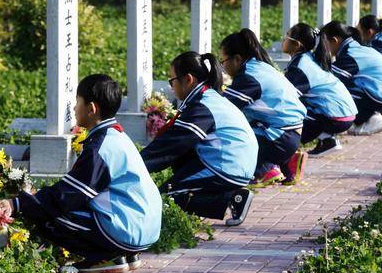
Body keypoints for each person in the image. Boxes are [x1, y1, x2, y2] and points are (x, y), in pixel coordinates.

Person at [5, 74, 162, 273]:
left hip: (126, 230)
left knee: (48, 216)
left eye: (77, 102)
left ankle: (105, 257)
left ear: (91, 108)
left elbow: (67, 196)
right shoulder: (118, 136)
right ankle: (123, 254)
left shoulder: (100, 147)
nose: (74, 108)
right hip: (145, 228)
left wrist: (18, 203)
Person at [141, 52, 257, 227]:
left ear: (188, 79)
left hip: (227, 166)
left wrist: (135, 165)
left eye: (172, 81)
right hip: (234, 161)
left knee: (165, 200)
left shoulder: (202, 106)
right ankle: (230, 196)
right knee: (178, 168)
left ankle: (231, 198)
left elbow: (171, 145)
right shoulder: (207, 97)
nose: (171, 87)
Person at [220, 29, 308, 186]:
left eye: (223, 62)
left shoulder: (249, 77)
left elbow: (222, 108)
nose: (223, 67)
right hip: (291, 133)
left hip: (281, 138)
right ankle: (288, 162)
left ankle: (264, 169)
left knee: (231, 133)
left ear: (237, 59)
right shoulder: (259, 66)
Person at [282, 23, 357, 157]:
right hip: (346, 114)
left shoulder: (300, 67)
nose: (284, 39)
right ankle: (327, 139)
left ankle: (286, 149)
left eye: (287, 36)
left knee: (288, 114)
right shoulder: (307, 59)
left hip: (337, 117)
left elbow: (286, 97)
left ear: (297, 44)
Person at [320, 20, 382, 136]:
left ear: (334, 41)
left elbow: (329, 79)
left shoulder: (350, 54)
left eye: (324, 44)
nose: (323, 48)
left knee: (336, 92)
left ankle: (371, 118)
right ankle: (364, 118)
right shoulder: (354, 48)